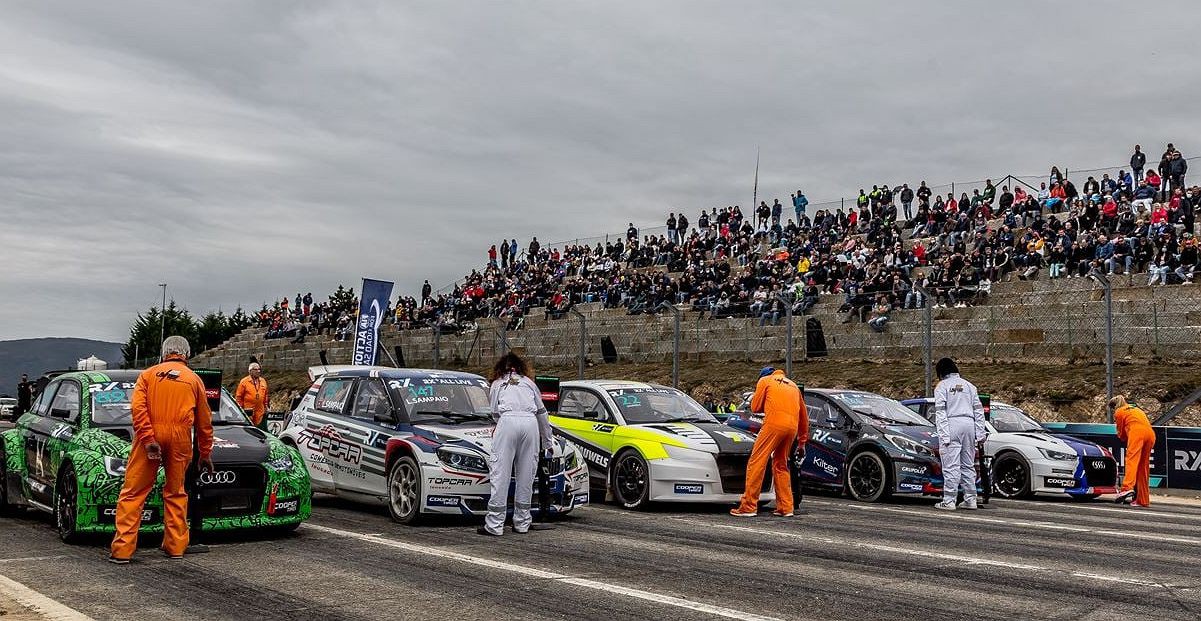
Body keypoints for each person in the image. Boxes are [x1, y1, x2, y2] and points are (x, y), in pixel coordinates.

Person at [110, 336, 214, 563]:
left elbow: (138, 410)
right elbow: (204, 422)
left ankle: (123, 551)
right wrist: (205, 453)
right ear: (186, 353)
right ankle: (175, 546)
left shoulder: (147, 375)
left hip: (151, 435)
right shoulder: (194, 379)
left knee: (134, 493)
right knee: (176, 492)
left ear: (164, 353)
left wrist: (148, 439)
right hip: (180, 437)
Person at [479, 352, 552, 536]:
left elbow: (495, 412)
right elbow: (542, 413)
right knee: (526, 476)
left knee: (500, 474)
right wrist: (548, 440)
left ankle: (494, 525)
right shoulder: (529, 383)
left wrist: (502, 424)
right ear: (521, 367)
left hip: (507, 422)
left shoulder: (496, 384)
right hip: (530, 423)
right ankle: (522, 523)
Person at [731, 367, 808, 517]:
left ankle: (749, 506)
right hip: (792, 428)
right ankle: (786, 507)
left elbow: (755, 407)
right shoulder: (793, 386)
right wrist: (802, 442)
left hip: (774, 424)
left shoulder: (765, 381)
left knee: (757, 461)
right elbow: (804, 417)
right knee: (781, 464)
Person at [933, 357, 986, 511]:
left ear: (940, 372)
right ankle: (971, 499)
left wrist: (944, 435)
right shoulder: (970, 386)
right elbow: (979, 411)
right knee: (967, 465)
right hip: (969, 425)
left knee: (951, 465)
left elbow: (940, 412)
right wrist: (980, 434)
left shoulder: (942, 386)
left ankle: (949, 501)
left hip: (952, 424)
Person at [1111, 396, 1155, 507]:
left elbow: (1121, 434)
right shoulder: (1136, 409)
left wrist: (1121, 435)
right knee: (1143, 467)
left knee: (1132, 460)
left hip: (1137, 433)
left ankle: (1127, 488)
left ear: (1114, 407)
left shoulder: (1119, 412)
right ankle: (1143, 500)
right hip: (1150, 434)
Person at [235, 362, 269, 429]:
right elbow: (239, 397)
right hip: (248, 411)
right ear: (250, 371)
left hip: (260, 411)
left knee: (261, 431)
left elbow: (265, 395)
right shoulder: (244, 382)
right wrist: (241, 410)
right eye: (255, 369)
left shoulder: (263, 381)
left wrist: (266, 406)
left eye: (259, 369)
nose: (258, 371)